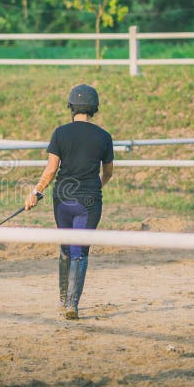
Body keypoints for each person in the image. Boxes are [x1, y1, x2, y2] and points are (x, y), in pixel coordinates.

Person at [25, 84, 114, 320]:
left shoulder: (60, 133)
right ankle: (72, 304)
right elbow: (108, 172)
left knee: (65, 247)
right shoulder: (104, 137)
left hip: (63, 198)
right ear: (94, 108)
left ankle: (63, 298)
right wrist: (96, 187)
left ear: (71, 107)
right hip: (89, 200)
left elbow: (51, 170)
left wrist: (36, 192)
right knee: (80, 251)